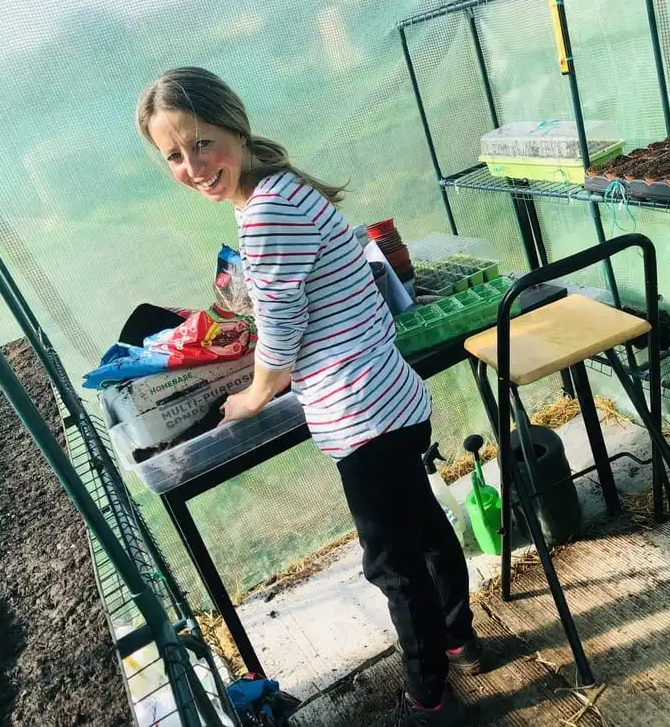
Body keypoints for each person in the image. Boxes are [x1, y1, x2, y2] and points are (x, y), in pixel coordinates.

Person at [137, 67, 481, 726]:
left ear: (231, 124)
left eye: (202, 143)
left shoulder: (265, 213)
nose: (193, 165)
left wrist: (249, 400)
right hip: (392, 399)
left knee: (391, 565)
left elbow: (284, 341)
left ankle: (430, 698)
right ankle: (461, 639)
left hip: (361, 415)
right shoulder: (278, 186)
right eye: (174, 156)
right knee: (425, 527)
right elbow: (297, 304)